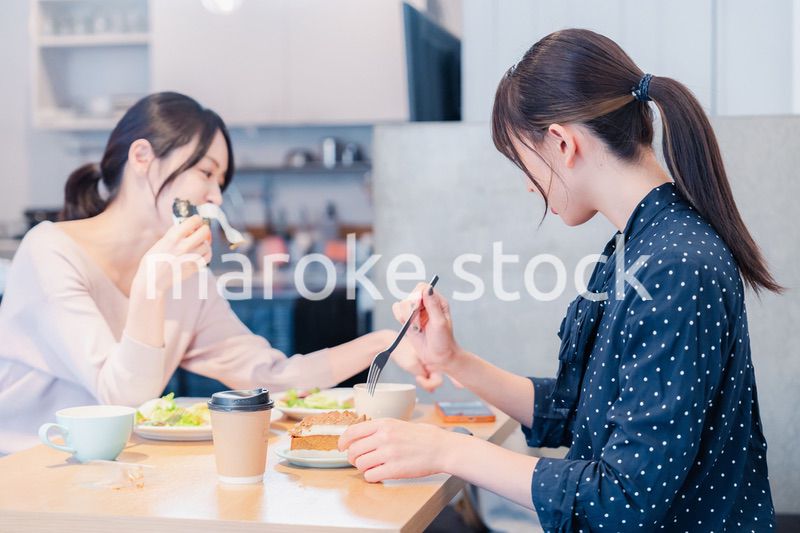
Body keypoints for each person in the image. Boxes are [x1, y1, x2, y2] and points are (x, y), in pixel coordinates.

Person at [339, 29, 778, 532]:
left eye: (522, 161)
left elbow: (621, 500)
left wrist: (447, 450)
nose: (527, 182)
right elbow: (577, 412)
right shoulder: (636, 246)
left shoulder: (674, 266)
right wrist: (451, 360)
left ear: (561, 142)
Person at [0, 92, 435, 455]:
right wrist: (152, 286)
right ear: (142, 157)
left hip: (108, 469)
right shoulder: (51, 252)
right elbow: (120, 397)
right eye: (206, 172)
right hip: (24, 465)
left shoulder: (184, 278)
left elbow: (272, 378)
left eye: (220, 182)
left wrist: (381, 343)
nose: (214, 196)